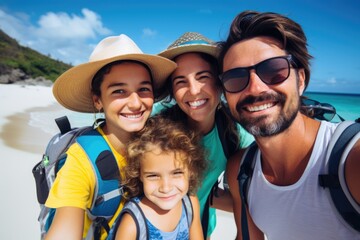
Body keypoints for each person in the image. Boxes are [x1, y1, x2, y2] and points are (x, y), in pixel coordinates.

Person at [218, 10, 360, 240]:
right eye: (235, 78)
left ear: (301, 80)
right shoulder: (241, 171)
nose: (255, 88)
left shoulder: (350, 160)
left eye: (274, 71)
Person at [44, 34, 176, 240]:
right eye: (119, 91)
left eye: (143, 89)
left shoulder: (159, 142)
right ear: (98, 100)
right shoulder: (80, 162)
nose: (135, 103)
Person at [154, 32, 254, 238]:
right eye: (181, 81)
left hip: (202, 228)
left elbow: (248, 198)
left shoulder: (234, 133)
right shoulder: (156, 130)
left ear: (220, 83)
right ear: (172, 91)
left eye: (203, 77)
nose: (194, 90)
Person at [114, 115, 206, 239]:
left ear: (190, 171)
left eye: (177, 173)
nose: (166, 188)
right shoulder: (132, 223)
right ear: (138, 174)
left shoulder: (190, 204)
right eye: (153, 176)